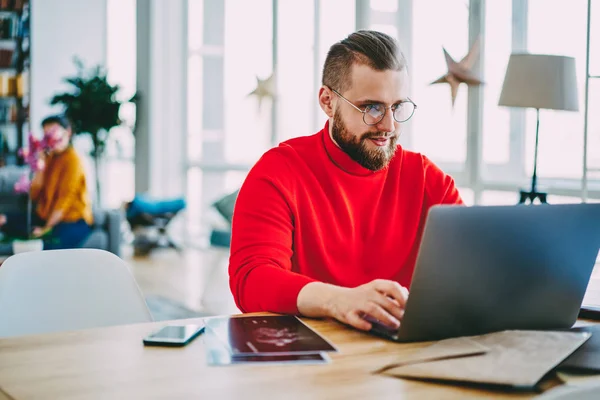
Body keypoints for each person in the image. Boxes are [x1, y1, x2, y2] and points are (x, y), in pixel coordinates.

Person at [228, 30, 463, 332]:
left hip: (402, 356)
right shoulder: (278, 172)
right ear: (328, 101)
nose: (389, 126)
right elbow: (251, 280)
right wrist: (338, 300)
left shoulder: (428, 179)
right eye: (371, 108)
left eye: (397, 107)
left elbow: (471, 271)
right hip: (308, 360)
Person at [0, 115, 93, 249]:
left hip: (71, 220)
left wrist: (45, 229)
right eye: (46, 135)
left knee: (44, 246)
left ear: (68, 132)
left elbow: (63, 202)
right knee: (3, 219)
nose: (50, 139)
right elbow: (34, 195)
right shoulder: (49, 159)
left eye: (53, 132)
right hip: (45, 216)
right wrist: (40, 165)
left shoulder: (73, 161)